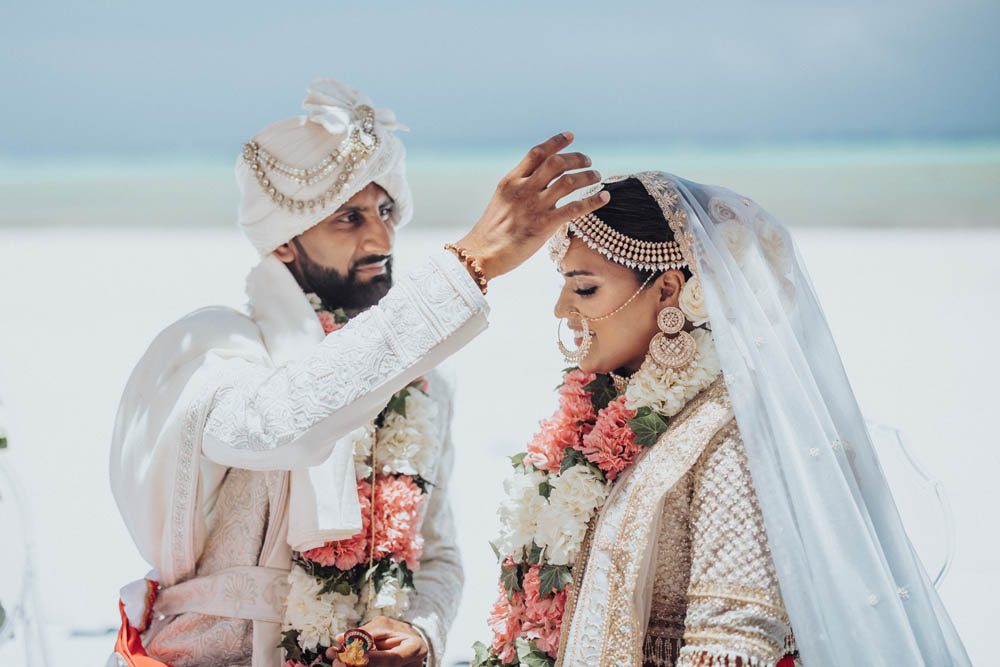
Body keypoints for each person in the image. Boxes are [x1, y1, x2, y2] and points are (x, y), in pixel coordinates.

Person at [108, 77, 608, 667]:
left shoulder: (421, 380)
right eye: (348, 217)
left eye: (386, 210)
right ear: (286, 243)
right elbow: (280, 424)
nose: (381, 236)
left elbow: (438, 555)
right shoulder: (217, 349)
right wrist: (468, 265)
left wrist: (418, 632)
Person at [478, 173, 971, 666]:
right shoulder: (596, 416)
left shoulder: (730, 437)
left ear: (669, 289)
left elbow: (734, 639)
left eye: (584, 288)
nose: (561, 309)